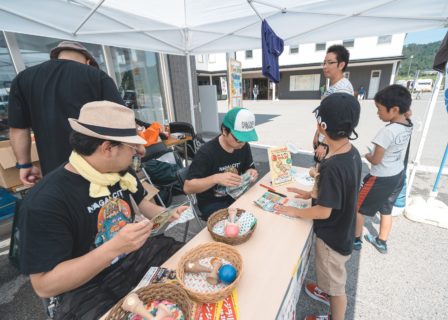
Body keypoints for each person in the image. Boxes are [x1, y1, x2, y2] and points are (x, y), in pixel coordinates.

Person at [18, 101, 186, 320]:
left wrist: (165, 215)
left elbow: (144, 204)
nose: (140, 151)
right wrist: (114, 248)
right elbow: (44, 285)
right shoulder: (46, 201)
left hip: (131, 258)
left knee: (185, 264)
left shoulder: (118, 172)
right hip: (83, 287)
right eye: (131, 147)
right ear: (107, 148)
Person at [276, 93, 362, 320]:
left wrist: (296, 210)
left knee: (337, 288)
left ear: (322, 126)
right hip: (343, 231)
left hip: (332, 239)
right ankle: (327, 294)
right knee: (332, 280)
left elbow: (324, 211)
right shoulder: (351, 153)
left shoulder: (332, 165)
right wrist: (311, 193)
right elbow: (340, 191)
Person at [8, 40, 125, 186]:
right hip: (98, 167)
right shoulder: (96, 76)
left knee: (66, 207)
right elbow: (122, 120)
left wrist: (24, 165)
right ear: (88, 61)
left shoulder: (22, 79)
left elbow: (18, 129)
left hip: (55, 172)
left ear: (57, 57)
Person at [354, 85, 413, 254]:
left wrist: (367, 156)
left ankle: (356, 239)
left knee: (358, 207)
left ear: (394, 109)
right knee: (387, 210)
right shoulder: (408, 124)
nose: (377, 113)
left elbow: (376, 159)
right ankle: (381, 241)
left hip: (380, 178)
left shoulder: (386, 132)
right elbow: (408, 112)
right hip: (397, 175)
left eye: (379, 109)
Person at [184, 107, 259, 219]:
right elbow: (188, 187)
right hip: (212, 202)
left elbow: (249, 168)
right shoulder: (207, 152)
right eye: (238, 138)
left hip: (237, 195)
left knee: (258, 214)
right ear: (224, 130)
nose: (242, 143)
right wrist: (216, 178)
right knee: (235, 225)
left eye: (246, 139)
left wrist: (251, 172)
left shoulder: (244, 146)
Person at [313, 45, 354, 160]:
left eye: (330, 63)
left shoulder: (343, 90)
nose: (325, 66)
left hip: (329, 144)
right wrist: (317, 133)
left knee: (322, 174)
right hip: (324, 137)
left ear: (341, 65)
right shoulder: (335, 86)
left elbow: (339, 123)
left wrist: (324, 144)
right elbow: (326, 116)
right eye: (324, 63)